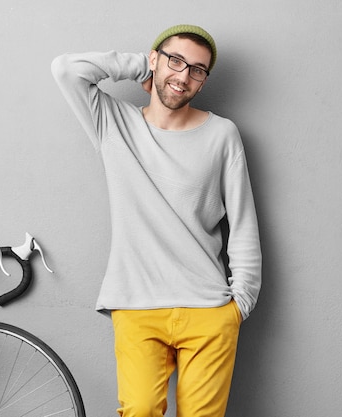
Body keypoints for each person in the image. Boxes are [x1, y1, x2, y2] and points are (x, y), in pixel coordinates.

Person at [51, 24, 261, 417]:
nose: (183, 76)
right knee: (140, 410)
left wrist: (240, 304)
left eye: (197, 69)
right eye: (175, 61)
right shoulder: (114, 124)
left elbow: (243, 222)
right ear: (155, 60)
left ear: (203, 80)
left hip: (209, 311)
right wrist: (139, 66)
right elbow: (66, 69)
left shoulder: (222, 135)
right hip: (136, 305)